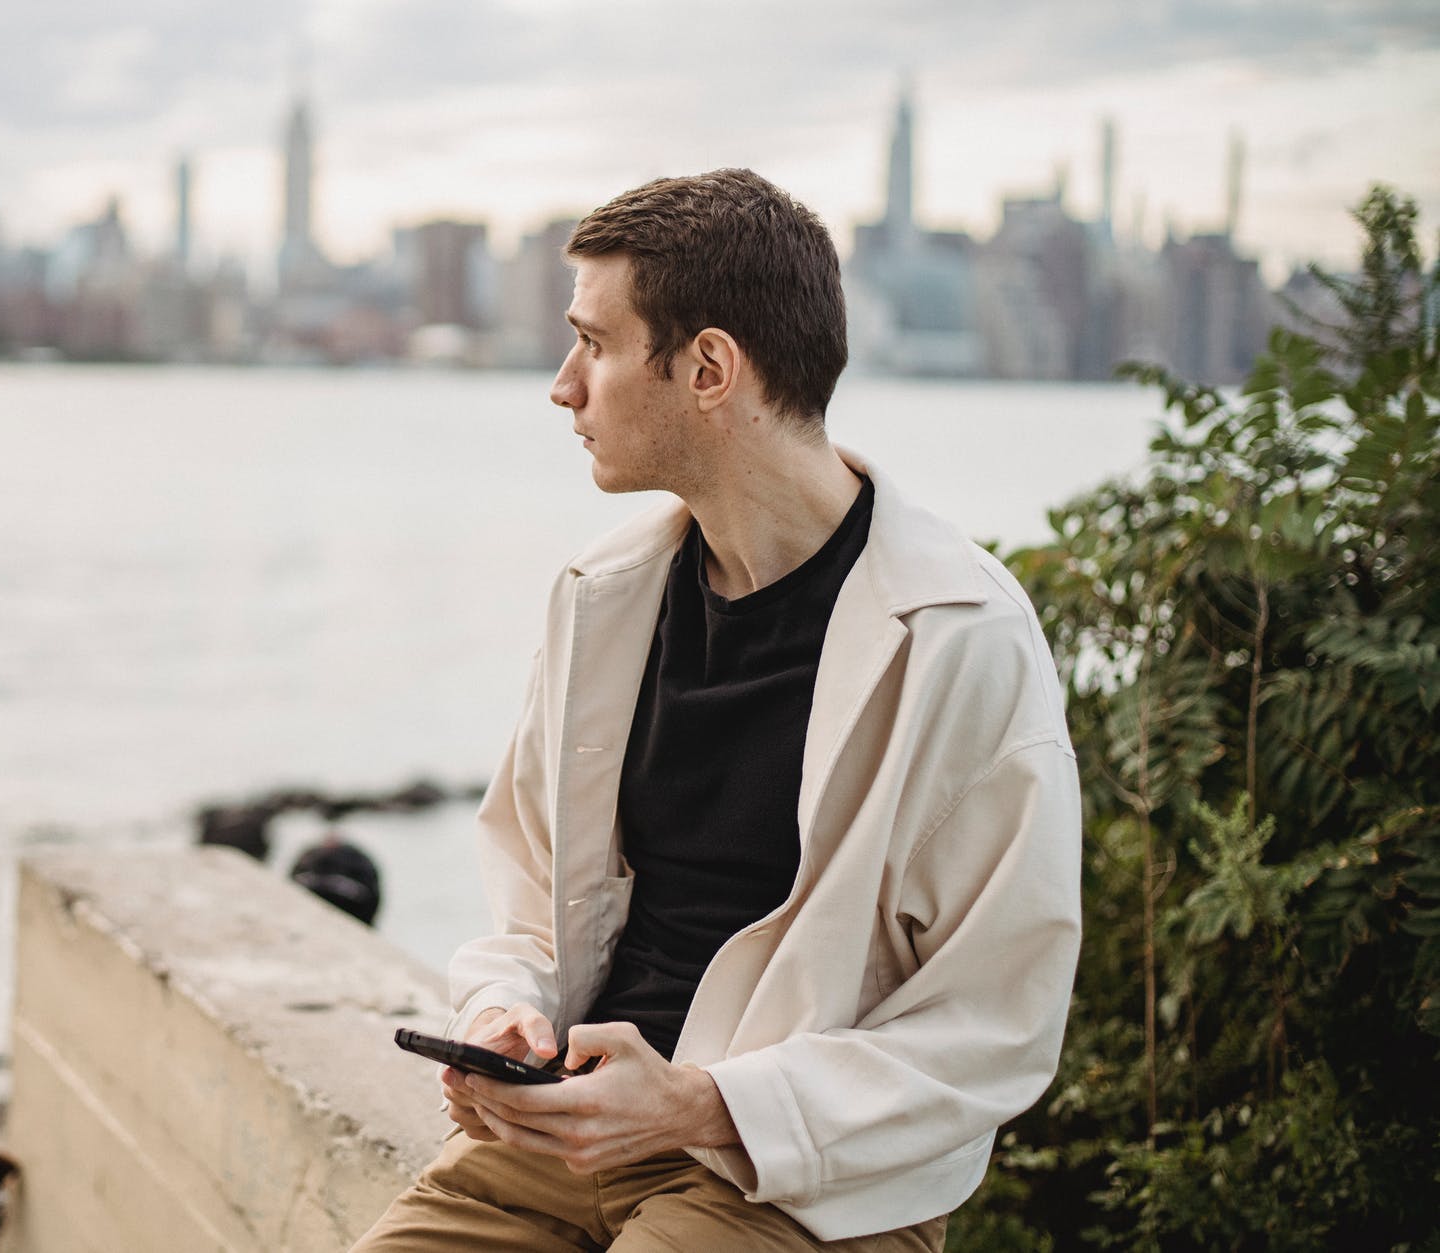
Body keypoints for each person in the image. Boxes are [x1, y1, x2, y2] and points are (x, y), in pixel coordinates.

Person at [352, 169, 1082, 1251]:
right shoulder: (600, 597)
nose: (562, 386)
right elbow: (533, 906)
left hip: (801, 1181)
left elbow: (995, 1028)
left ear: (705, 368)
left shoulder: (957, 636)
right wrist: (498, 1018)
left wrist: (701, 1103)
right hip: (561, 1145)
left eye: (592, 344)